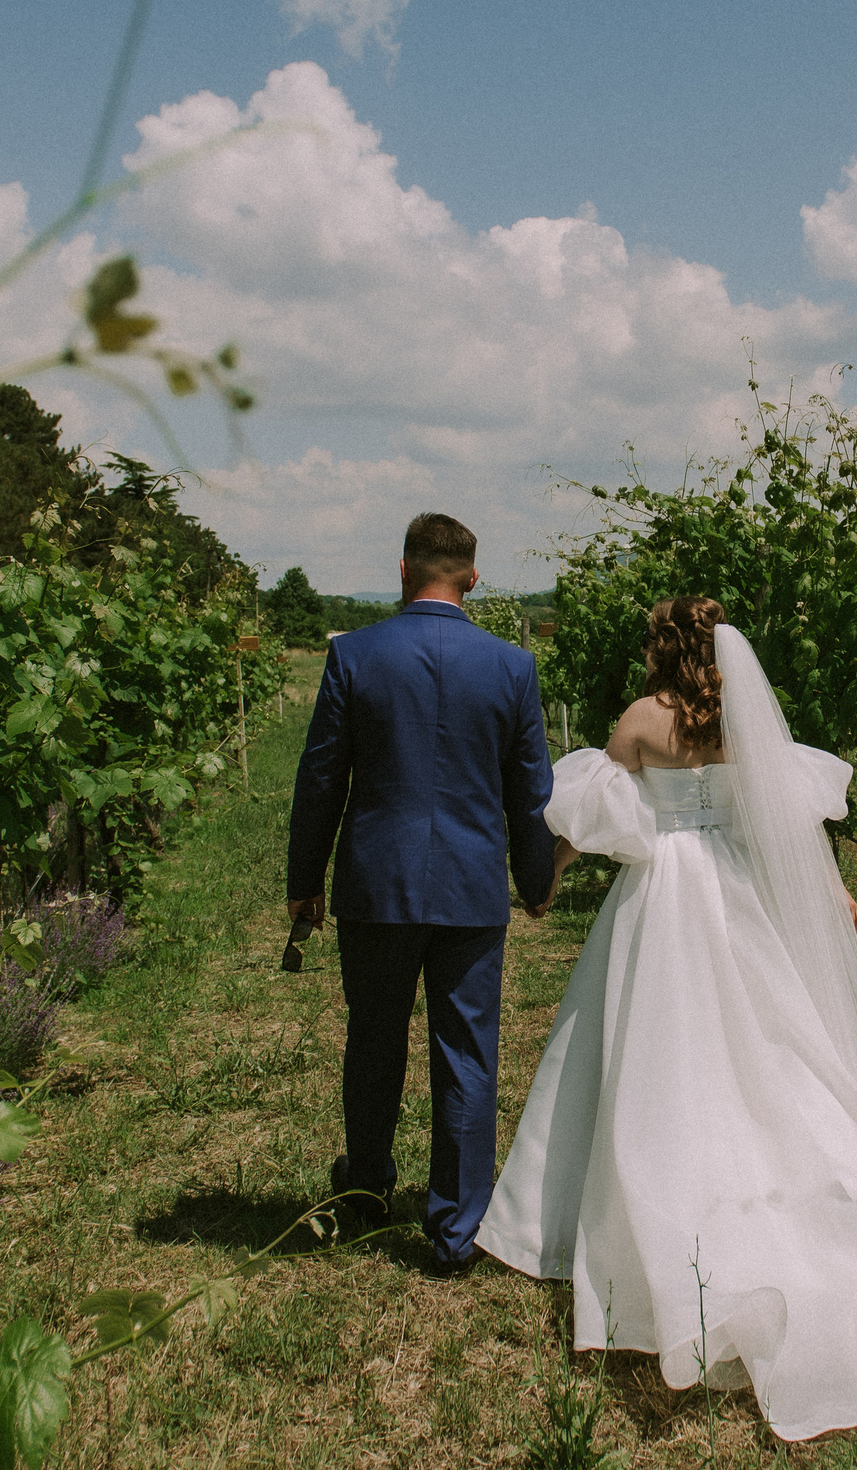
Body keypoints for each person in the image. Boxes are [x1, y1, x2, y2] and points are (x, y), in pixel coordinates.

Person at [475, 596, 857, 1440]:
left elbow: (600, 819)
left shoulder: (641, 721)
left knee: (659, 1056)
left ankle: (649, 1225)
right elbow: (784, 820)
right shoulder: (747, 722)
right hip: (739, 890)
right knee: (768, 1047)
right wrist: (831, 889)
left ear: (663, 649)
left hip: (664, 900)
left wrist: (544, 875)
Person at [287, 512, 556, 1275]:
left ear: (403, 571)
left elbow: (320, 779)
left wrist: (304, 884)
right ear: (473, 579)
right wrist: (535, 882)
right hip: (472, 889)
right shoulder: (512, 667)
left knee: (373, 1039)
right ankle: (456, 1229)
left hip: (377, 884)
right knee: (467, 1050)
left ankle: (367, 1191)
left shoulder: (355, 657)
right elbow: (530, 793)